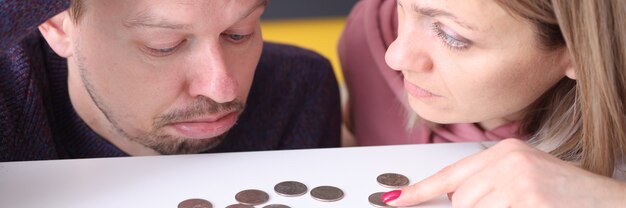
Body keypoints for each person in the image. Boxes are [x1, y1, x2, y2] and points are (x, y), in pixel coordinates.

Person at [0, 0, 341, 161]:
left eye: (239, 34)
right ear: (58, 26)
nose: (223, 88)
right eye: (164, 46)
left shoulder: (299, 90)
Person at [367, 0, 626, 207]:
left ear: (579, 53)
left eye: (451, 36)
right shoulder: (371, 36)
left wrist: (609, 197)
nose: (395, 57)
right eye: (399, 5)